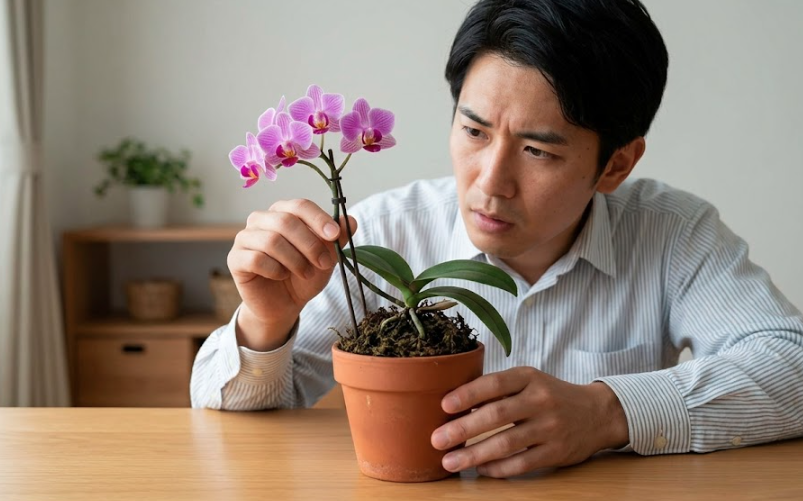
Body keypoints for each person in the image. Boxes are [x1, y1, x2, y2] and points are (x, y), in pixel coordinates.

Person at [191, 0, 803, 478]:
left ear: (616, 164)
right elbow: (225, 422)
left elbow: (791, 366)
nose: (490, 183)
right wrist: (266, 323)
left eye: (537, 150)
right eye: (474, 132)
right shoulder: (380, 233)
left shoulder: (671, 232)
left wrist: (607, 411)